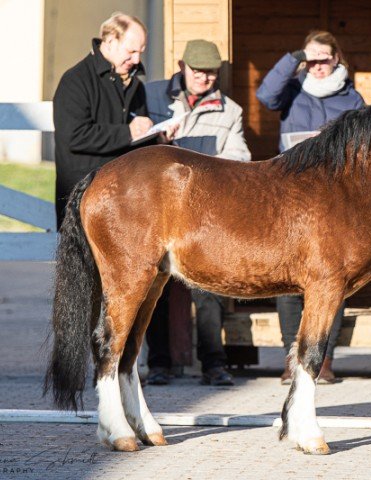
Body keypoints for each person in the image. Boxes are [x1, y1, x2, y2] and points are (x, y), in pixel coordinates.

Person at [256, 30, 365, 384]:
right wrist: (294, 57)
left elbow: (364, 148)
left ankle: (324, 357)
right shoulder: (293, 90)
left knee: (335, 279)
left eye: (324, 59)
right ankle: (292, 356)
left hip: (336, 198)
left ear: (337, 58)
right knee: (289, 279)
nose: (318, 66)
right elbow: (265, 94)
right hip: (291, 195)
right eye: (312, 60)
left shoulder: (352, 98)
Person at [144, 39, 251, 386]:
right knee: (154, 289)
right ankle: (158, 362)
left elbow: (240, 158)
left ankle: (213, 363)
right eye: (198, 71)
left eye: (211, 73)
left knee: (210, 292)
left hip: (204, 216)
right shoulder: (152, 97)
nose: (204, 78)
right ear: (182, 66)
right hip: (159, 210)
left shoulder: (230, 111)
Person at [53, 12, 171, 229]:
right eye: (131, 51)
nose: (137, 59)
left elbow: (137, 142)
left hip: (125, 198)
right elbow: (74, 136)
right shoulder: (75, 81)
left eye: (141, 52)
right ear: (109, 41)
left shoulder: (136, 85)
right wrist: (128, 132)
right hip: (82, 198)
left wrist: (158, 139)